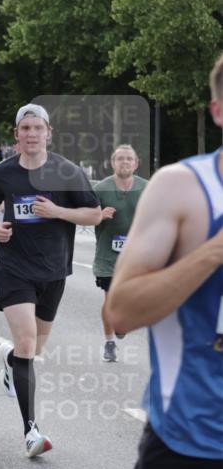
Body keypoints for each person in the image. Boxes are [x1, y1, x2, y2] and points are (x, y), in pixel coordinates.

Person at [90, 55, 223, 469]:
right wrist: (213, 251)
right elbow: (119, 311)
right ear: (219, 111)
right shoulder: (180, 190)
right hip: (189, 435)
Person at [0, 104, 101, 457]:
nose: (31, 134)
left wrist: (57, 212)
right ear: (16, 135)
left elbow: (93, 214)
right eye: (25, 128)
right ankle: (30, 431)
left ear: (48, 132)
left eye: (38, 128)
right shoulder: (4, 173)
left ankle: (9, 358)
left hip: (54, 271)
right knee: (29, 343)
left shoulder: (67, 171)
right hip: (14, 269)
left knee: (33, 349)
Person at [93, 145, 148, 362]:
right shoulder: (101, 189)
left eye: (129, 159)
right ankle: (109, 342)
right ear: (112, 162)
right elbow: (87, 215)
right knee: (110, 299)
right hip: (108, 255)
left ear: (136, 164)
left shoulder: (147, 187)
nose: (125, 162)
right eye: (120, 159)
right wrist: (99, 215)